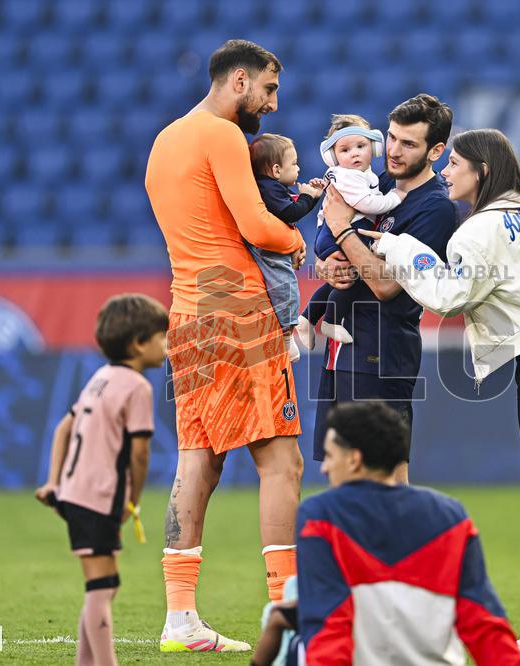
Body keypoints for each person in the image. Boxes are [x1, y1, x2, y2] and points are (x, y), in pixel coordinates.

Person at [346, 129, 520, 651]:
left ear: (484, 171)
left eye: (455, 163)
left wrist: (399, 246)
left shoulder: (478, 230)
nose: (446, 172)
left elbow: (449, 296)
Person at [144, 39, 306, 653]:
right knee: (281, 462)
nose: (271, 102)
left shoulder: (165, 140)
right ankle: (286, 612)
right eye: (268, 89)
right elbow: (257, 224)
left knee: (198, 461)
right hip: (239, 311)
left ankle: (179, 619)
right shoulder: (222, 135)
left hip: (188, 313)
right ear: (239, 80)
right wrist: (297, 243)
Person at [253, 401, 520, 665]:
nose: (324, 467)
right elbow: (484, 623)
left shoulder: (321, 516)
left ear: (354, 460)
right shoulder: (451, 516)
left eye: (330, 456)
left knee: (282, 612)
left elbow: (329, 624)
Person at [312, 94, 457, 483]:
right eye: (391, 137)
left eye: (408, 143)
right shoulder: (378, 183)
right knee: (340, 469)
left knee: (384, 473)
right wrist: (327, 266)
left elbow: (386, 285)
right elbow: (330, 238)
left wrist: (342, 229)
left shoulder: (435, 208)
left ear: (435, 151)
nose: (393, 150)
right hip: (343, 346)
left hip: (383, 350)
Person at [35, 294, 166, 665]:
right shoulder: (137, 387)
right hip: (98, 496)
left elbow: (63, 428)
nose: (167, 345)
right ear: (138, 343)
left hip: (76, 493)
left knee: (103, 586)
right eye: (162, 337)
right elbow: (140, 454)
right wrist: (133, 499)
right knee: (101, 587)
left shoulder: (100, 377)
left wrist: (54, 482)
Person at [296, 114, 406, 348]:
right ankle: (331, 321)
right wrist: (394, 198)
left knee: (342, 278)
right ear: (333, 156)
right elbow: (366, 203)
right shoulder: (348, 176)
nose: (354, 153)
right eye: (345, 150)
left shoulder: (361, 175)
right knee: (356, 273)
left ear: (374, 147)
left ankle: (307, 318)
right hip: (337, 233)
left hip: (332, 233)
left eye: (360, 146)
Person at [248, 133, 325, 361]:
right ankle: (286, 337)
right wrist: (307, 198)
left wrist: (312, 196)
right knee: (286, 286)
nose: (298, 168)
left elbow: (291, 206)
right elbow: (291, 213)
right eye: (294, 163)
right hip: (267, 251)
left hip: (271, 247)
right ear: (276, 170)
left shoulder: (272, 187)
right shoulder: (269, 189)